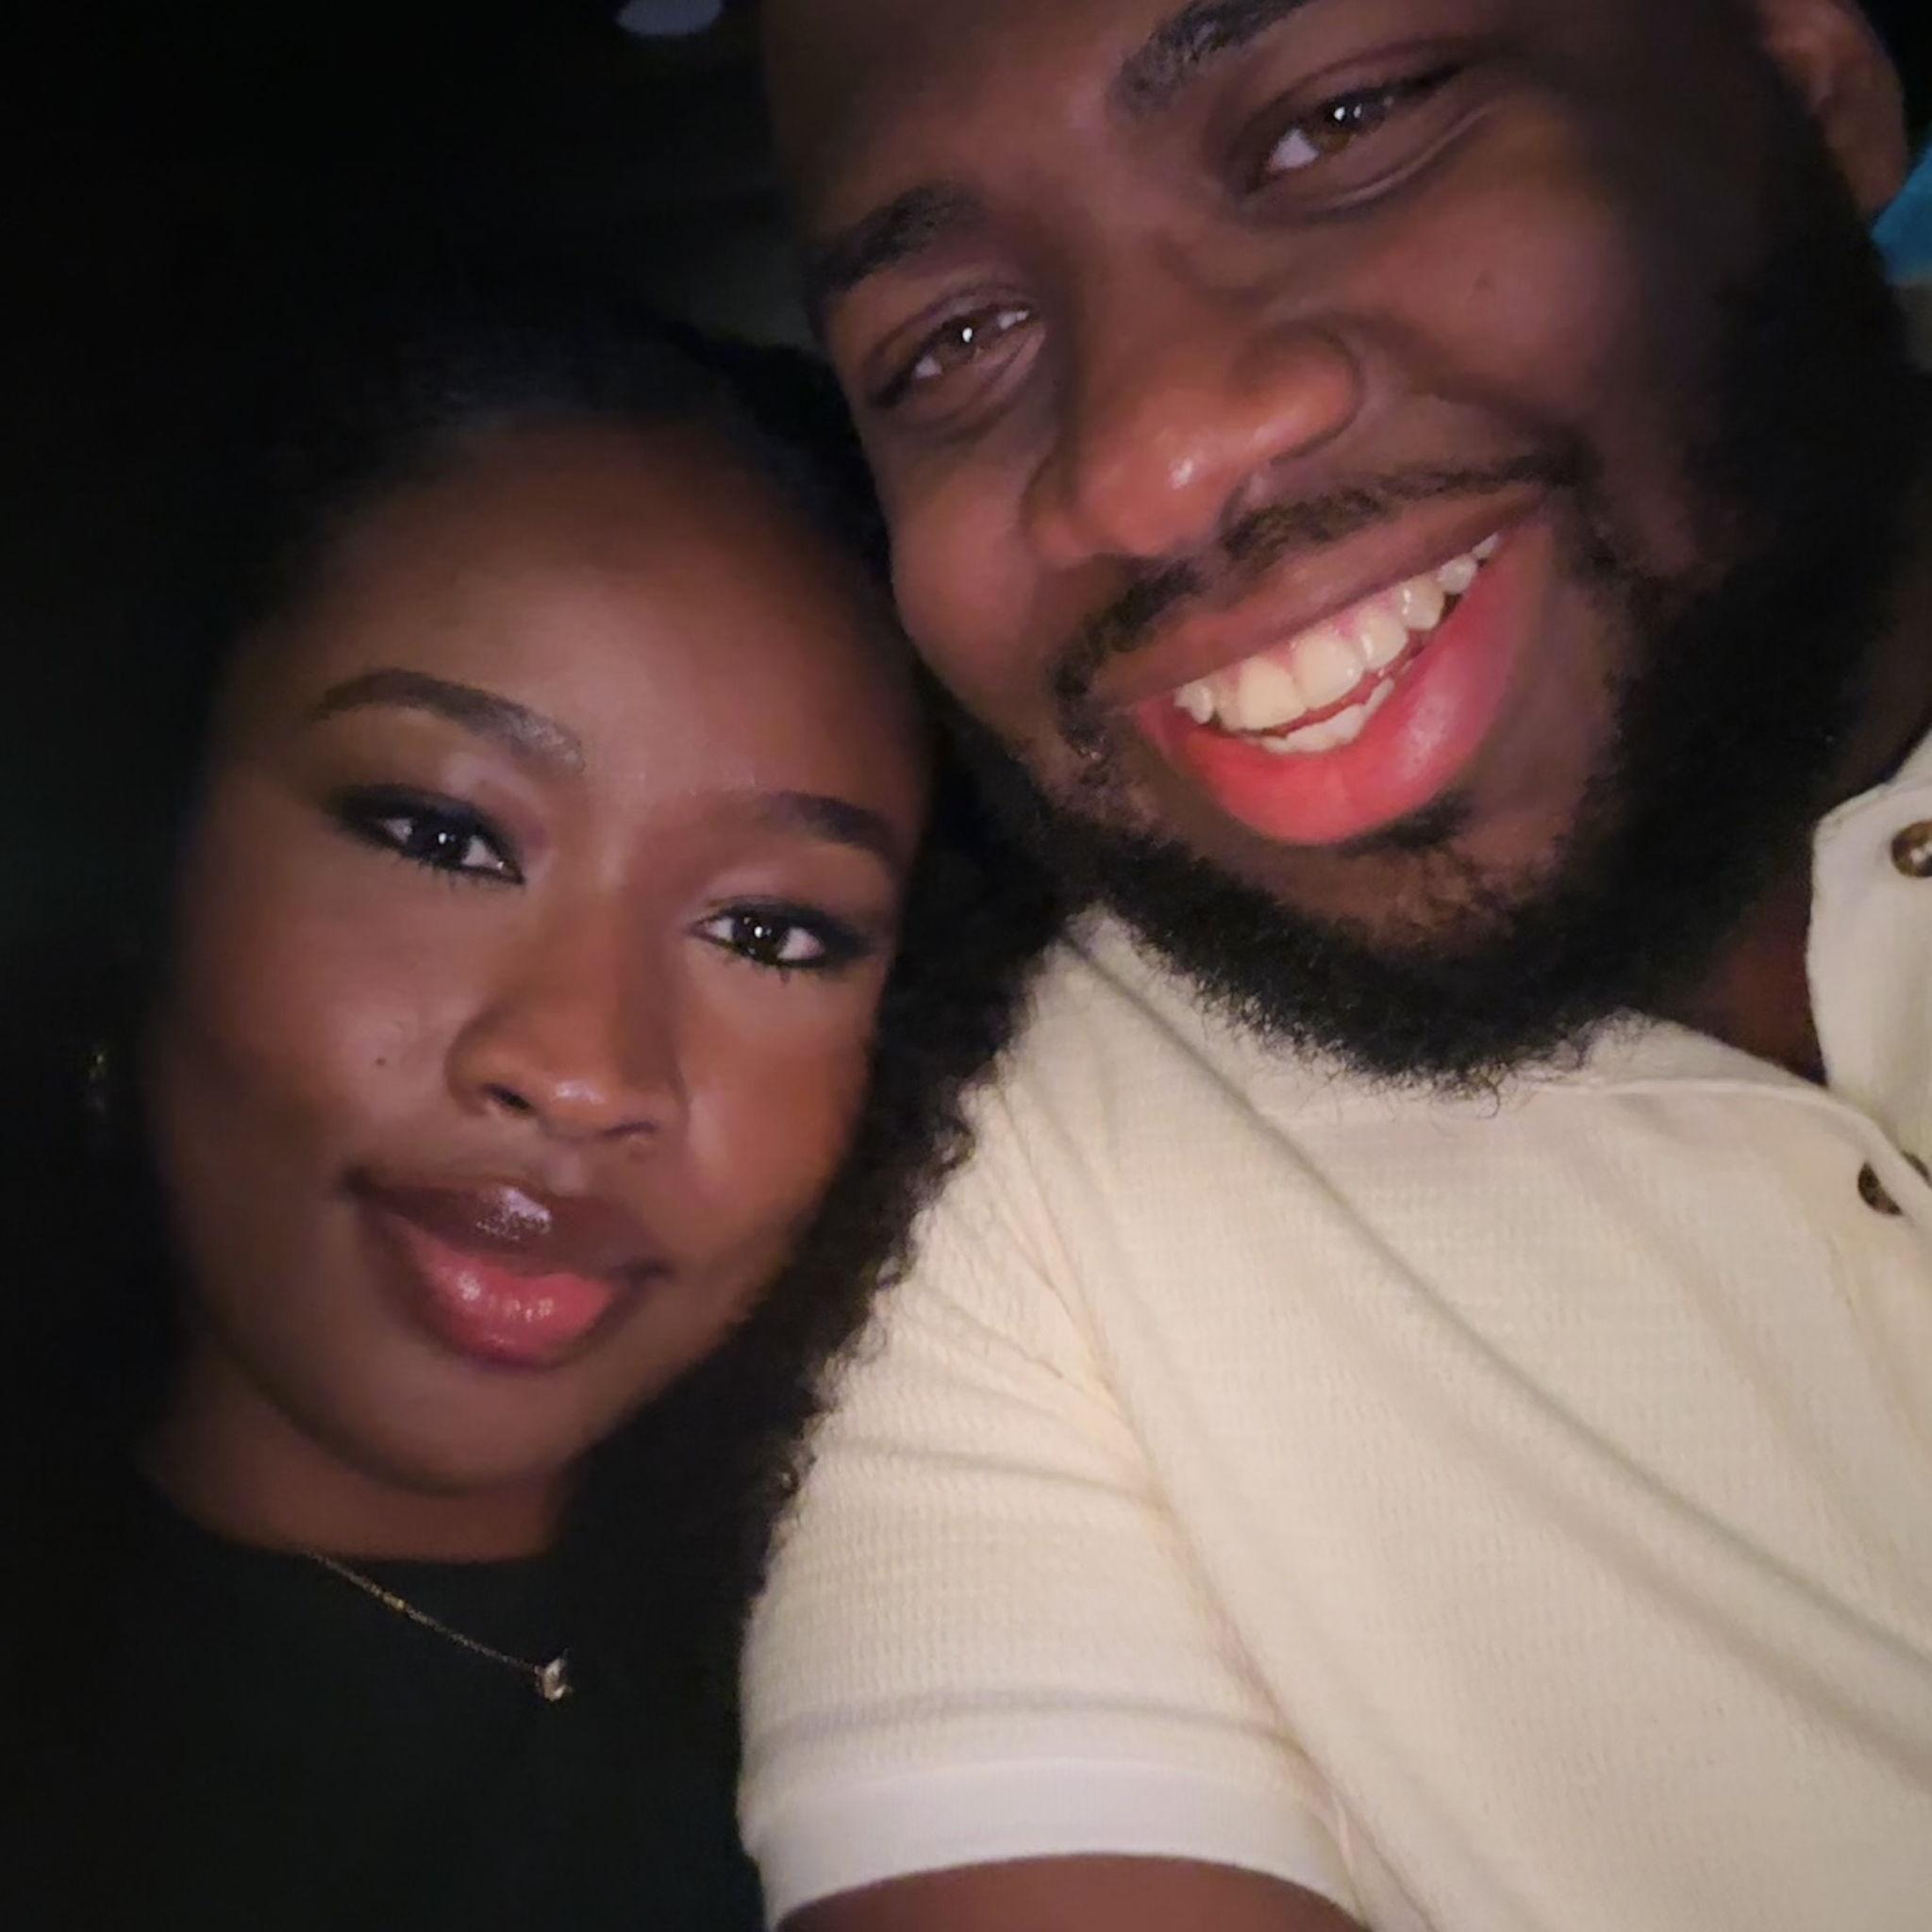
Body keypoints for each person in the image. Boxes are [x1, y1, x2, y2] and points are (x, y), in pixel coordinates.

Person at [740, 2, 1932, 1928]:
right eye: (950, 342)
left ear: (1810, 89)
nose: (1147, 464)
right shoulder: (1026, 1218)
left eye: (1340, 121)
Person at [0, 274, 1055, 1930]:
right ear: (156, 840)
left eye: (771, 932)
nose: (584, 1068)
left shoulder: (1001, 1637)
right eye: (442, 835)